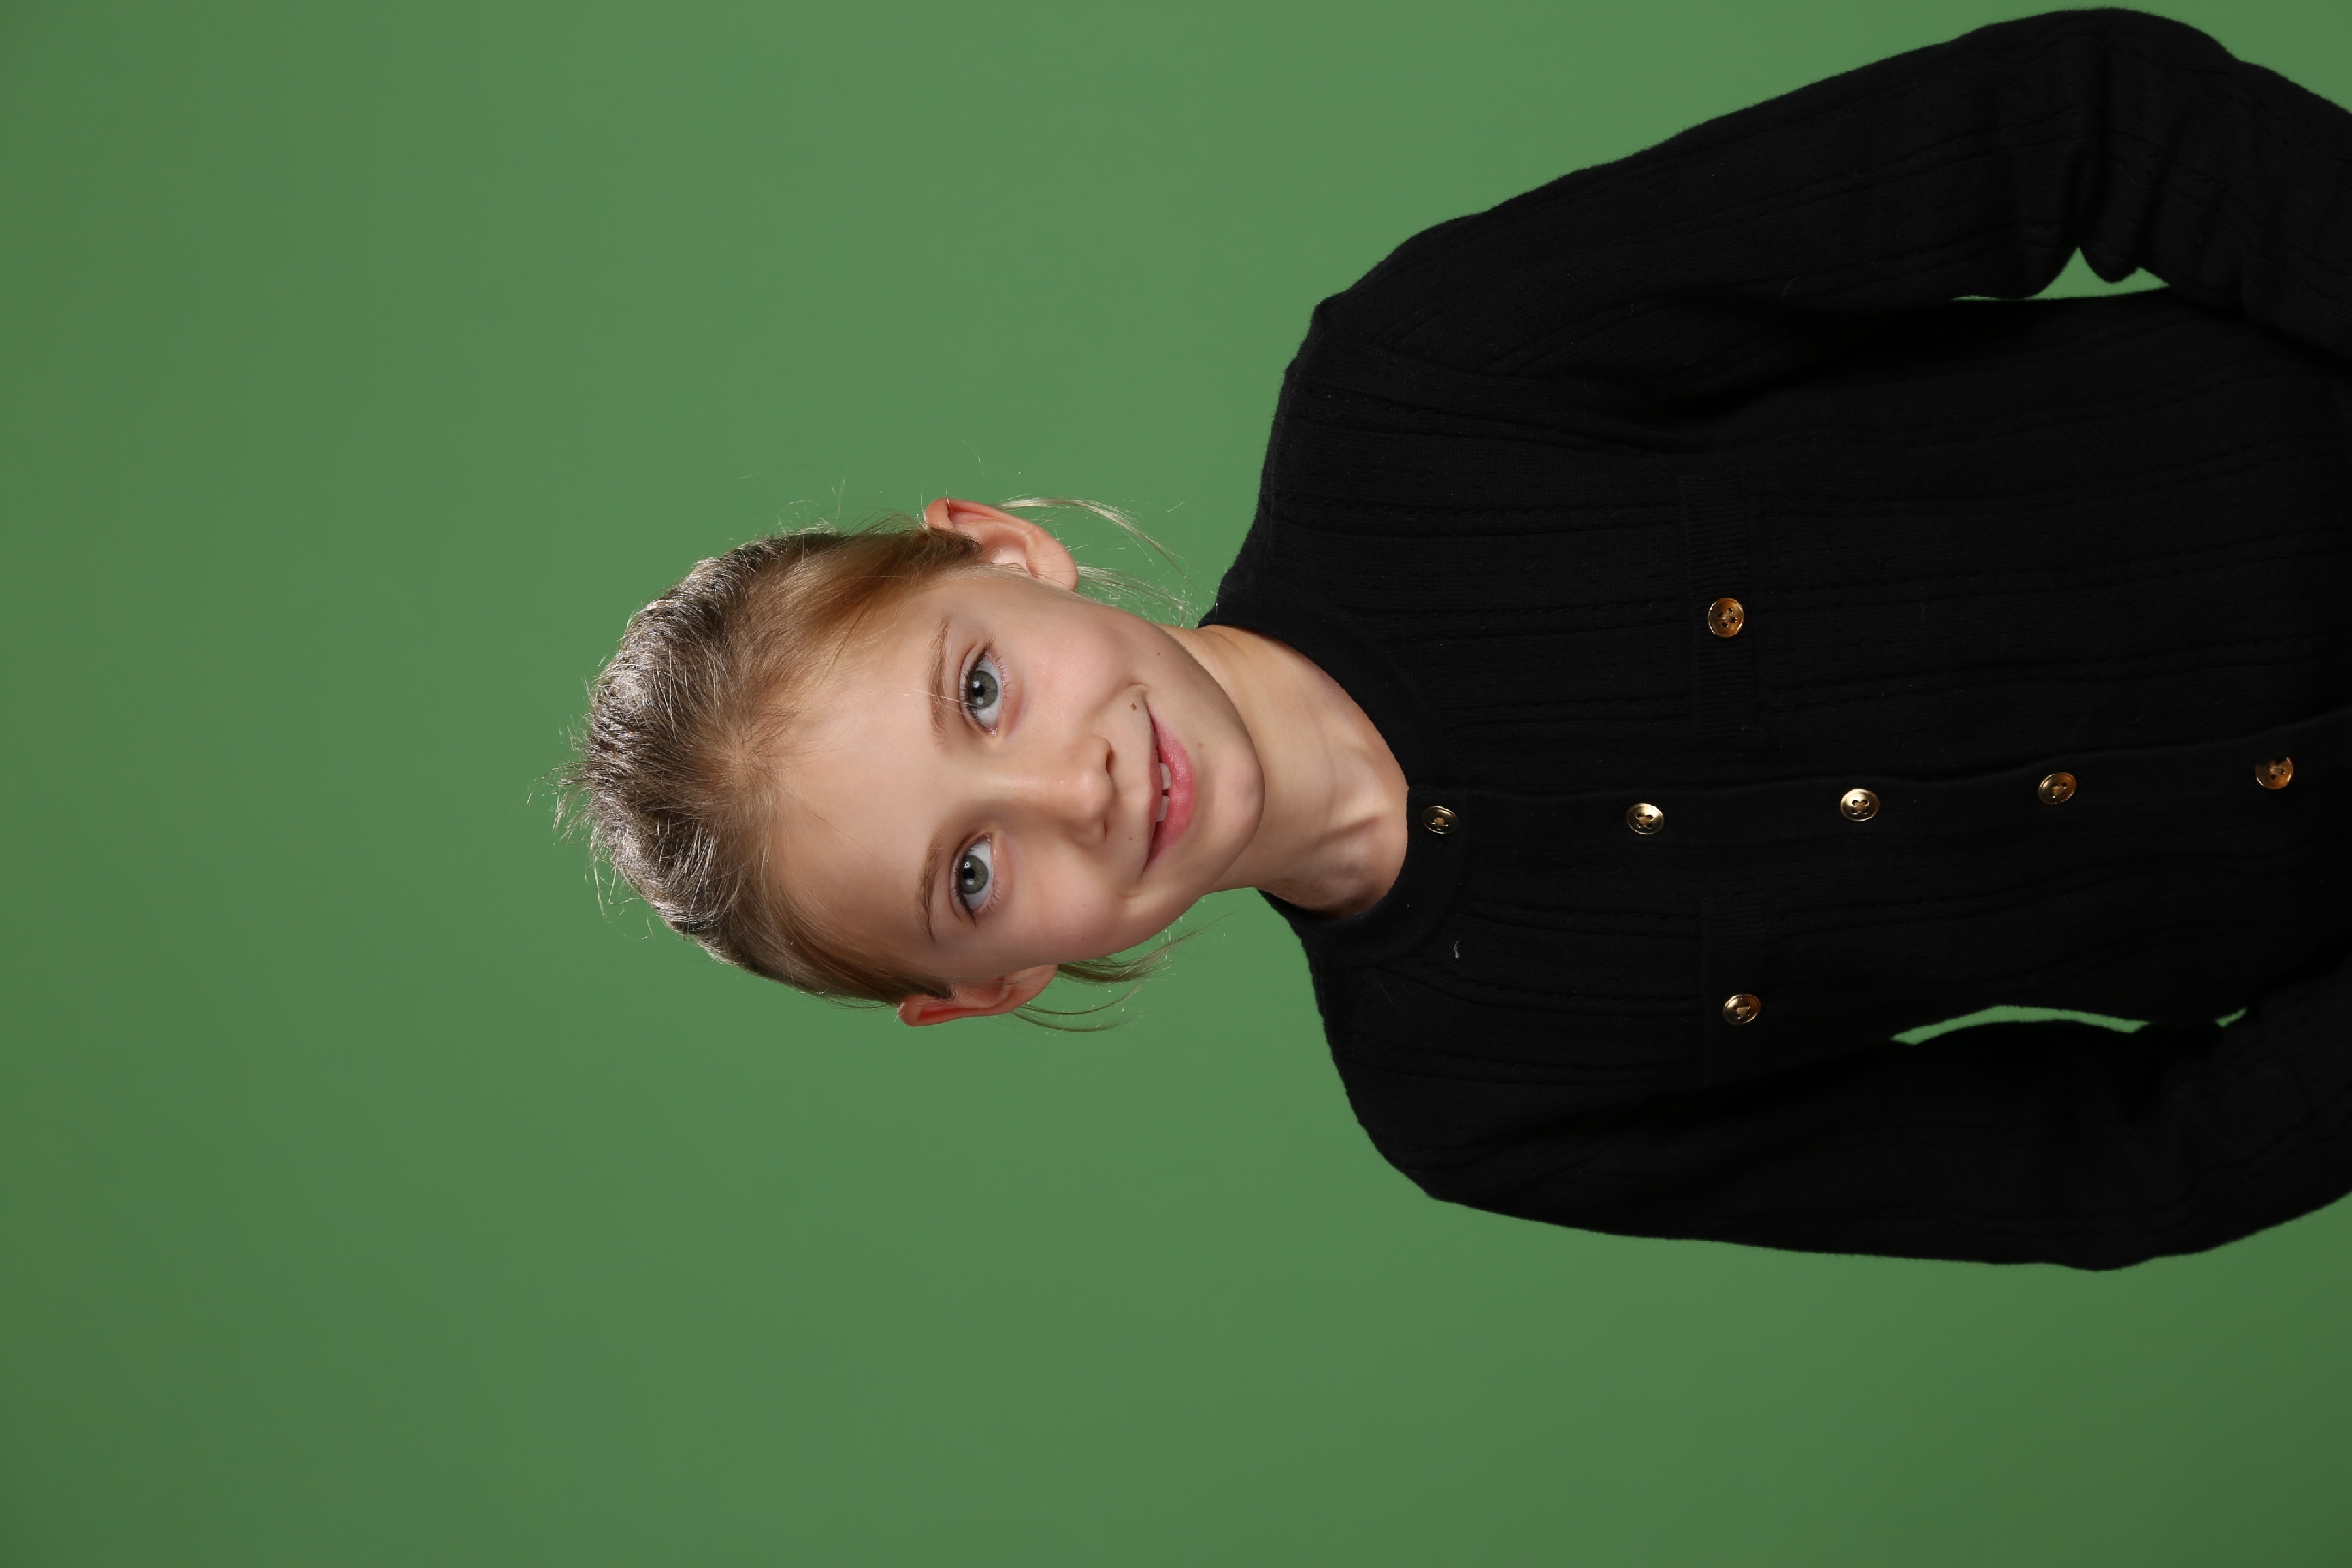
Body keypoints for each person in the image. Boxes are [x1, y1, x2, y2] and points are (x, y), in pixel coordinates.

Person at [566, 8, 2352, 1269]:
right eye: (970, 876)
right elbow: (2111, 1169)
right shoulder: (1477, 1106)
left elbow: (2077, 121)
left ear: (1005, 554)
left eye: (980, 690)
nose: (1070, 787)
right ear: (992, 986)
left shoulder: (1425, 387)